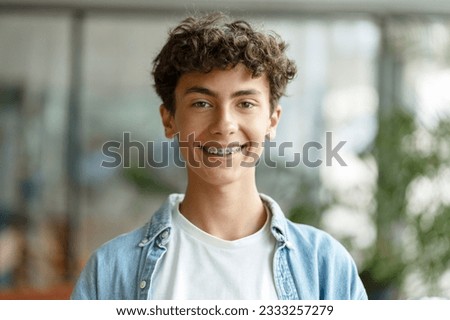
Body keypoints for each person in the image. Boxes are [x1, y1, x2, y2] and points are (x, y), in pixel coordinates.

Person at [71, 12, 367, 300]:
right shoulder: (111, 272)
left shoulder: (324, 266)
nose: (224, 125)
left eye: (246, 103)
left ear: (272, 121)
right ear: (169, 120)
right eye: (201, 103)